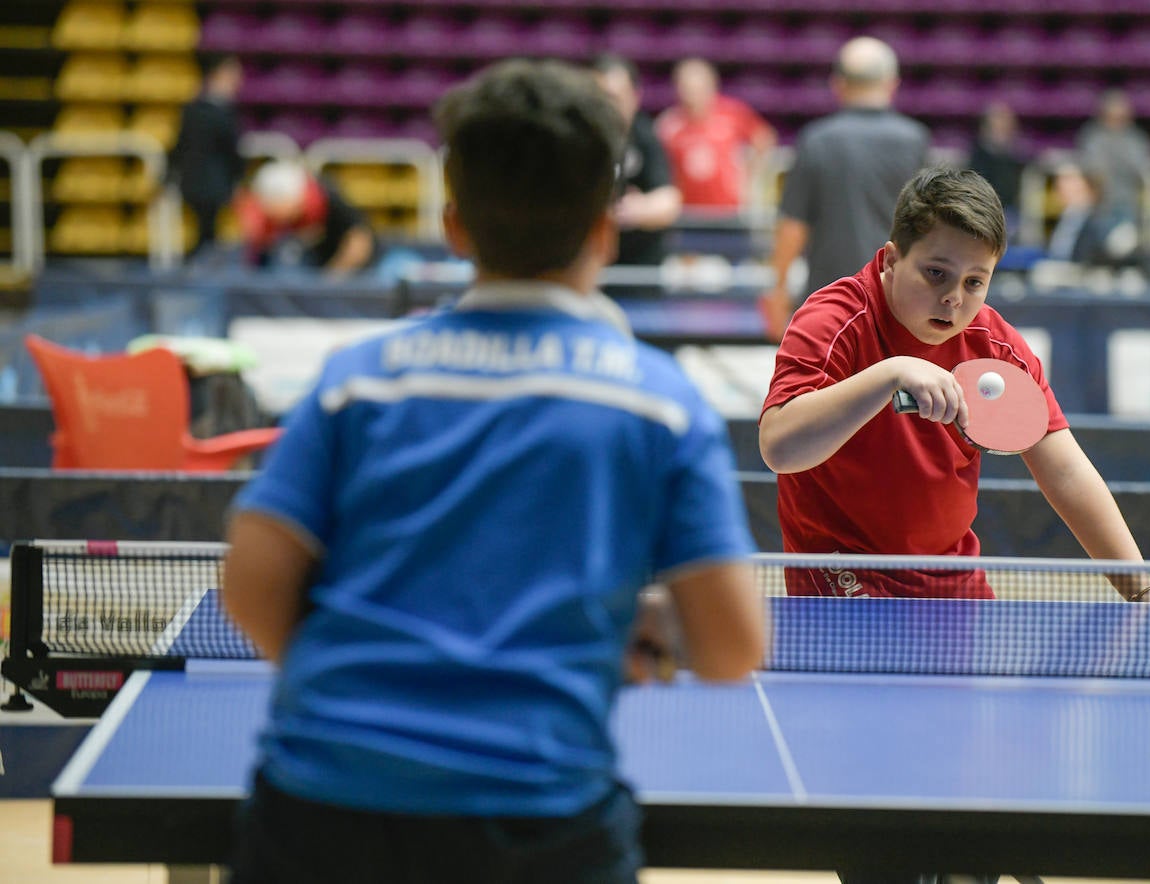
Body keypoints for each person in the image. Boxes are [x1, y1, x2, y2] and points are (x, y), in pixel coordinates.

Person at [221, 59, 766, 884]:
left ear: (453, 225)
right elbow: (730, 647)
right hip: (541, 827)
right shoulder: (659, 404)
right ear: (604, 231)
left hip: (322, 811)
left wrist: (369, 670)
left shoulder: (357, 379)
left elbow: (251, 588)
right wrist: (632, 624)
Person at [758, 167, 1150, 607]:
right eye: (936, 273)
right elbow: (779, 449)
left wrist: (1142, 593)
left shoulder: (994, 344)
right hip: (843, 583)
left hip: (955, 587)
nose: (954, 298)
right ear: (891, 260)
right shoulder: (835, 320)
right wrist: (889, 374)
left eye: (974, 282)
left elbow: (1065, 471)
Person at [757, 36, 930, 341]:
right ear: (892, 84)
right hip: (898, 306)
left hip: (829, 307)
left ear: (838, 84)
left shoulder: (817, 140)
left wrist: (778, 292)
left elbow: (792, 227)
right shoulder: (916, 141)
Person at [591, 53, 682, 268]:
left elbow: (669, 201)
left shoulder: (646, 136)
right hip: (591, 270)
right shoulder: (579, 137)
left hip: (640, 270)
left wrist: (635, 210)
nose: (607, 106)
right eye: (599, 97)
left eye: (614, 97)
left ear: (635, 96)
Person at [655, 57, 776, 213]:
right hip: (686, 213)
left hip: (728, 210)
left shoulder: (732, 113)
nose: (692, 94)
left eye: (697, 88)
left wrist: (748, 177)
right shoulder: (667, 124)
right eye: (686, 87)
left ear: (712, 85)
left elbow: (764, 138)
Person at [235, 160, 377, 277]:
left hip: (353, 274)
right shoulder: (265, 215)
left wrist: (330, 280)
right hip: (305, 269)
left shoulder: (328, 199)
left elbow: (359, 244)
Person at [167, 53, 245, 256]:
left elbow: (178, 147)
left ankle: (202, 264)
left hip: (197, 181)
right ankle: (202, 269)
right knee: (206, 234)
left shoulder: (195, 109)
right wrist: (238, 177)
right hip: (212, 183)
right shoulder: (219, 111)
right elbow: (231, 151)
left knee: (207, 233)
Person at [1075, 89, 1150, 228]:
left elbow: (1144, 167)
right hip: (1100, 205)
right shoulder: (1094, 136)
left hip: (1128, 200)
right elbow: (1092, 168)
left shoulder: (1135, 138)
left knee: (1125, 239)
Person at [967, 100, 1025, 238]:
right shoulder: (979, 153)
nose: (1002, 126)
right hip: (986, 207)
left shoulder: (1015, 153)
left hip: (1010, 208)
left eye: (1006, 123)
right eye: (997, 122)